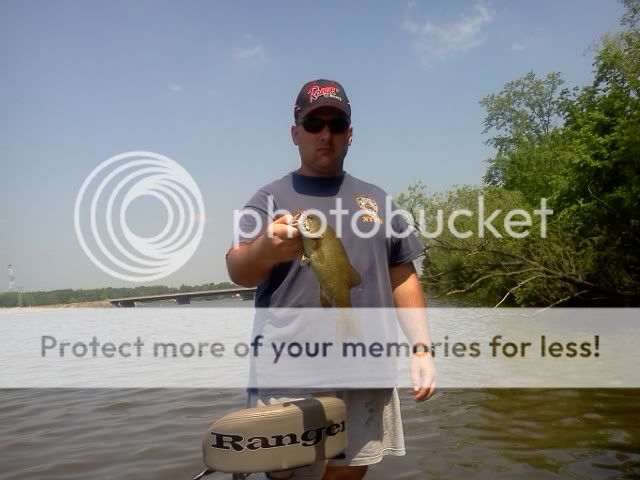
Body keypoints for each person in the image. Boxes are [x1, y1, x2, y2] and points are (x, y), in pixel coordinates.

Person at [226, 79, 436, 480]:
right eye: (313, 124)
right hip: (289, 375)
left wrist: (422, 349)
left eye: (336, 125)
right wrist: (263, 250)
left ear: (350, 134)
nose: (325, 134)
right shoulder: (267, 199)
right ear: (295, 133)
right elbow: (237, 269)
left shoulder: (378, 200)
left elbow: (403, 276)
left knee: (350, 471)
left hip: (367, 370)